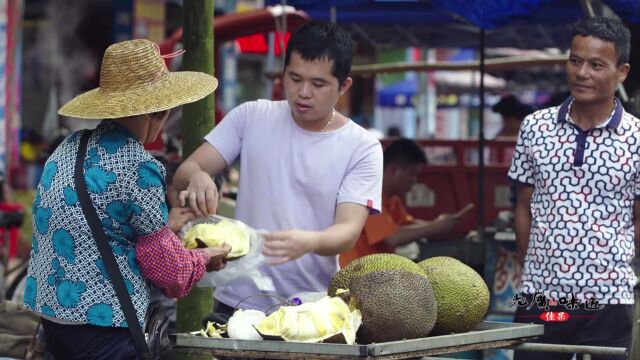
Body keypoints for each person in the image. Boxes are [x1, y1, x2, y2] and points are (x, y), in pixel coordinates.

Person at [23, 39, 231, 359]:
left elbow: (95, 223)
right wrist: (204, 258)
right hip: (102, 324)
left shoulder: (68, 147)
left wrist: (165, 223)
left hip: (52, 315)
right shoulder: (139, 166)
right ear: (156, 113)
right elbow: (169, 273)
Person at [174, 21, 383, 314]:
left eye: (319, 84)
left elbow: (348, 231)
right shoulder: (251, 116)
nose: (304, 92)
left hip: (311, 306)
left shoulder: (362, 146)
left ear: (343, 86)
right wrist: (198, 176)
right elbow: (187, 169)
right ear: (283, 73)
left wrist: (308, 241)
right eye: (295, 78)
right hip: (237, 303)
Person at [509, 17, 636, 360]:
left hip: (608, 299)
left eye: (597, 65)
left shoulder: (636, 138)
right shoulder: (535, 127)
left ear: (621, 72)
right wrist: (531, 265)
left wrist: (621, 270)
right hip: (544, 297)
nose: (582, 73)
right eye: (575, 60)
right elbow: (523, 206)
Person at [339, 138, 473, 267]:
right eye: (412, 173)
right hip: (353, 279)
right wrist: (436, 227)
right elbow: (393, 237)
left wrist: (442, 223)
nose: (415, 181)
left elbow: (407, 225)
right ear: (393, 169)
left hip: (373, 275)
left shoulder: (392, 200)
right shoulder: (367, 195)